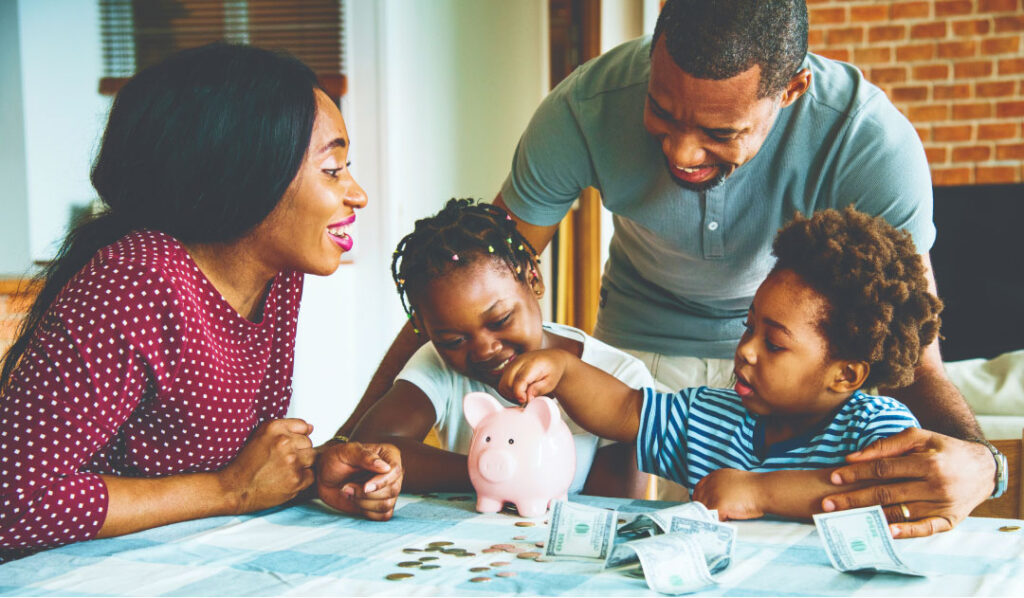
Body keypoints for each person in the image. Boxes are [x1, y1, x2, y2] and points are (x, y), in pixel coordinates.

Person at [340, 0, 1003, 537]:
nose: (683, 151)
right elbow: (468, 277)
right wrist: (344, 442)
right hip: (641, 350)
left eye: (721, 131)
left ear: (792, 89)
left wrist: (985, 464)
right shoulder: (584, 109)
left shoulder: (868, 142)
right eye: (662, 111)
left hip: (798, 354)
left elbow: (918, 359)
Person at [0, 43, 401, 562]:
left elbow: (208, 466)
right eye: (332, 170)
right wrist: (230, 490)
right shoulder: (136, 281)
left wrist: (312, 469)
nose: (358, 194)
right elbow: (14, 499)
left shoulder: (275, 279)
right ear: (249, 172)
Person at [500, 208, 939, 526]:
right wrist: (564, 371)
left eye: (774, 344)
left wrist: (758, 492)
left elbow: (879, 494)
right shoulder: (711, 417)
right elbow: (624, 410)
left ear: (845, 375)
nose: (746, 350)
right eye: (749, 329)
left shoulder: (878, 429)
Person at [340, 199, 654, 497]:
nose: (485, 350)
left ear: (533, 279)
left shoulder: (621, 376)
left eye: (501, 319)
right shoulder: (439, 363)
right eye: (454, 341)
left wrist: (503, 474)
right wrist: (489, 472)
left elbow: (612, 507)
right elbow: (369, 448)